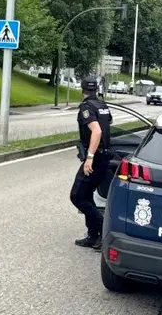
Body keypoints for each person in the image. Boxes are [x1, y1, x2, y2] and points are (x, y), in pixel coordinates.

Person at [70, 76, 113, 250]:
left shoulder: (86, 107)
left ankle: (103, 230)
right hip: (105, 156)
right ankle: (93, 235)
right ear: (96, 89)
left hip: (95, 158)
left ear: (82, 90)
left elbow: (96, 131)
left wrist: (89, 157)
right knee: (87, 195)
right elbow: (108, 123)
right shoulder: (103, 105)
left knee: (77, 196)